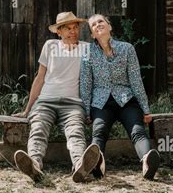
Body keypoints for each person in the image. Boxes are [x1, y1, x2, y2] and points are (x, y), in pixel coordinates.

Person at [13, 12, 100, 183]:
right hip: (45, 101)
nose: (73, 31)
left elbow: (91, 81)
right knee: (38, 128)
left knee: (75, 131)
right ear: (58, 32)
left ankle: (79, 166)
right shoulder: (50, 45)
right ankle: (34, 165)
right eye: (68, 28)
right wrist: (28, 109)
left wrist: (89, 110)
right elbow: (40, 78)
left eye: (75, 28)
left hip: (73, 104)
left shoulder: (86, 49)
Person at [80, 14, 160, 180]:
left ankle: (147, 161)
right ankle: (97, 163)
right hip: (101, 102)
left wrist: (145, 110)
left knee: (137, 130)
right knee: (99, 131)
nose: (98, 25)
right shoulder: (88, 52)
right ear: (93, 34)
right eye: (93, 25)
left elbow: (136, 81)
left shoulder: (127, 49)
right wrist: (87, 111)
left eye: (101, 21)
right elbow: (86, 84)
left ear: (109, 27)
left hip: (126, 100)